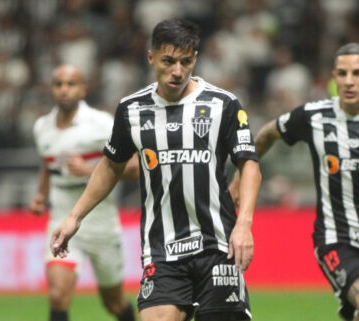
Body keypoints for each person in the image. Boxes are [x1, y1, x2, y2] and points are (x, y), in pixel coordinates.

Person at [50, 18, 262, 321]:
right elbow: (111, 166)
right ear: (151, 58)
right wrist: (75, 217)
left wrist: (244, 224)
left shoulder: (222, 104)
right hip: (162, 251)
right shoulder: (132, 109)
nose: (177, 71)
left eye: (186, 62)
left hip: (218, 245)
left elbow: (250, 163)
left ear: (195, 59)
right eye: (168, 61)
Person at [230, 43, 359, 321]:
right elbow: (266, 134)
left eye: (357, 73)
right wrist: (239, 176)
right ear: (333, 76)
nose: (348, 81)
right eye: (341, 73)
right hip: (336, 238)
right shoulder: (314, 115)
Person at [29, 65, 138, 321]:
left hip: (100, 219)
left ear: (83, 89)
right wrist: (41, 195)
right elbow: (47, 164)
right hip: (61, 216)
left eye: (71, 84)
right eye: (58, 84)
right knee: (57, 295)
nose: (64, 90)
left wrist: (88, 170)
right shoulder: (42, 127)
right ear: (51, 89)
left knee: (113, 303)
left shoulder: (101, 124)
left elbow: (135, 167)